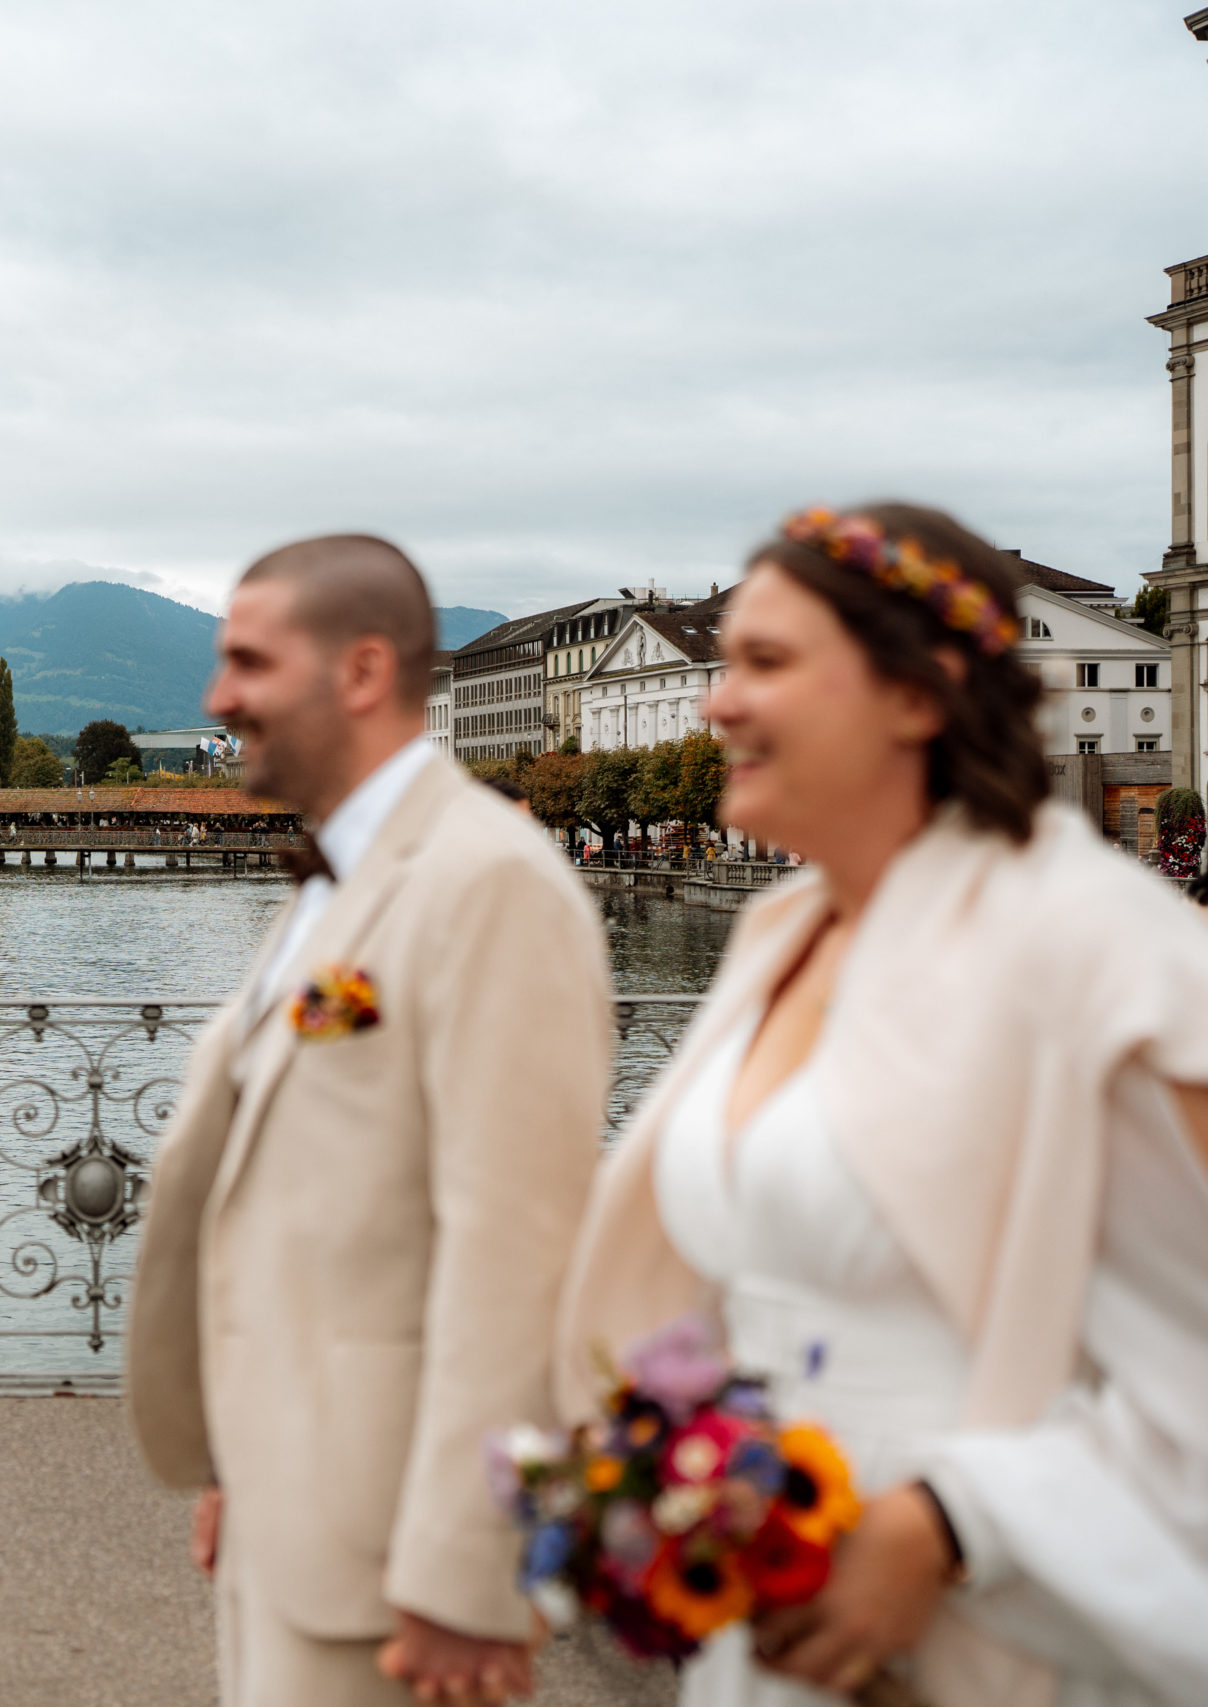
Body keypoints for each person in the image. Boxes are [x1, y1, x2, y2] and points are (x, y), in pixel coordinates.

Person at [554, 503, 1208, 1705]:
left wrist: (953, 1526)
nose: (716, 703)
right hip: (766, 1611)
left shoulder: (1099, 954)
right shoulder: (782, 931)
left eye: (767, 664)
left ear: (919, 695)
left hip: (986, 1632)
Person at [124, 535, 615, 1706]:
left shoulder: (485, 882)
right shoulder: (341, 880)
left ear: (357, 672)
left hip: (394, 1568)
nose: (216, 699)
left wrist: (467, 1576)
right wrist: (236, 1460)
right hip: (297, 1511)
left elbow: (516, 1252)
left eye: (247, 662)